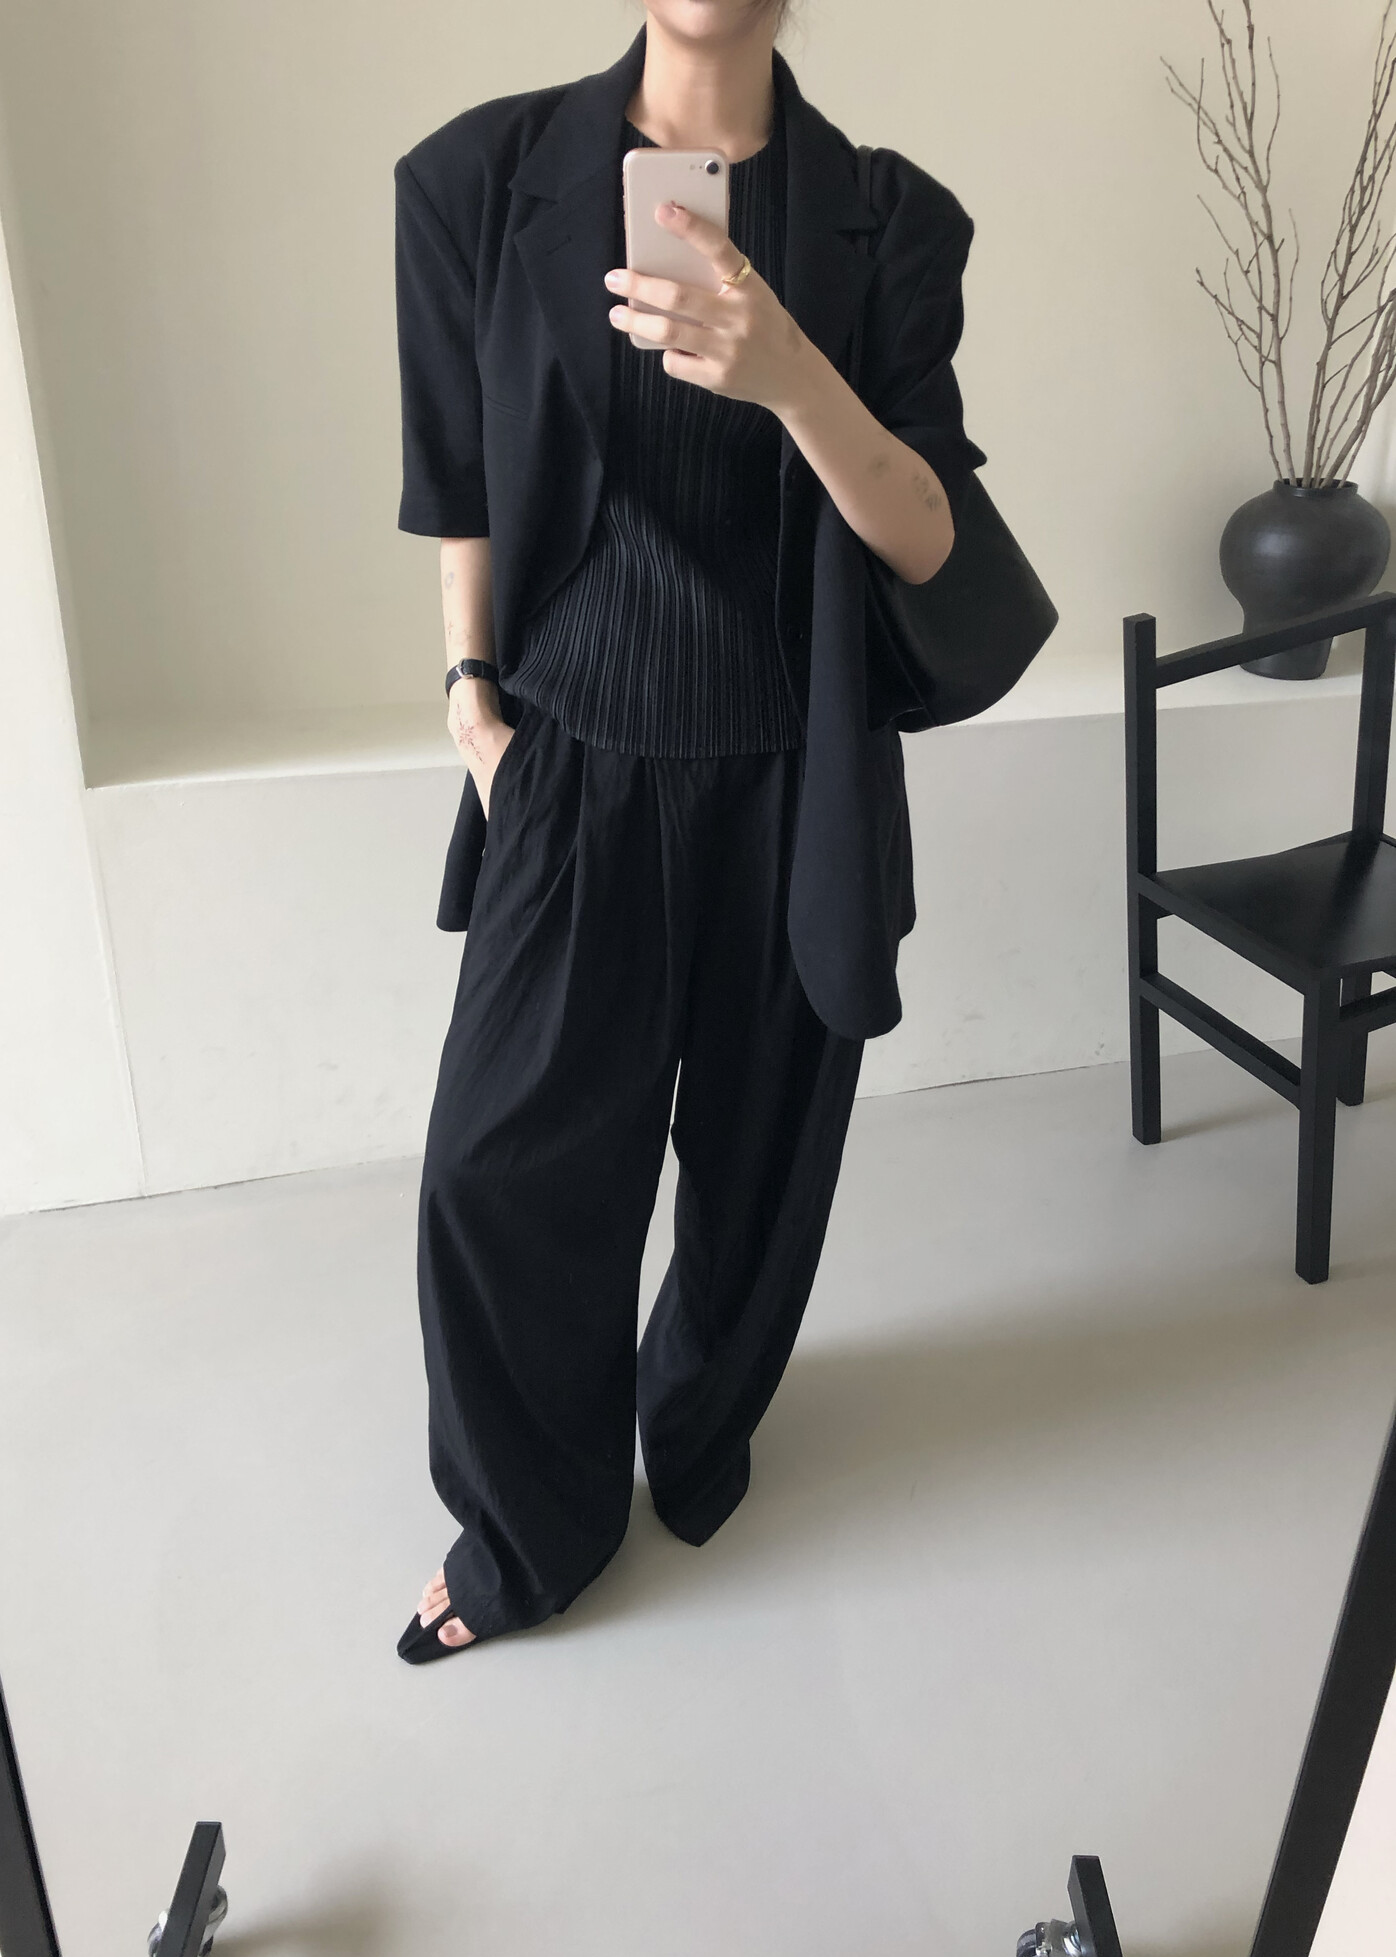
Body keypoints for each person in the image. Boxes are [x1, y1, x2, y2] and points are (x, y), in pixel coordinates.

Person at [392, 0, 986, 1660]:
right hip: (572, 752)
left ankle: (698, 1425)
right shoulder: (477, 181)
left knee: (758, 1169)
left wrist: (791, 373)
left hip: (795, 770)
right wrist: (471, 698)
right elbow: (459, 474)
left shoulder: (889, 217)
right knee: (497, 1170)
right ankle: (532, 1526)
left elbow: (930, 533)